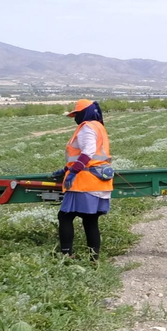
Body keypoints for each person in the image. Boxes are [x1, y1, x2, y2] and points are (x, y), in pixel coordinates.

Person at [55, 99, 113, 259]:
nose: (75, 118)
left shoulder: (87, 128)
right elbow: (95, 156)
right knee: (90, 220)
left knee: (65, 216)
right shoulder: (98, 126)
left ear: (85, 113)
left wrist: (73, 172)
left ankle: (66, 255)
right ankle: (94, 259)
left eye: (77, 114)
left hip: (84, 181)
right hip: (99, 180)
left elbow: (88, 152)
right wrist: (67, 168)